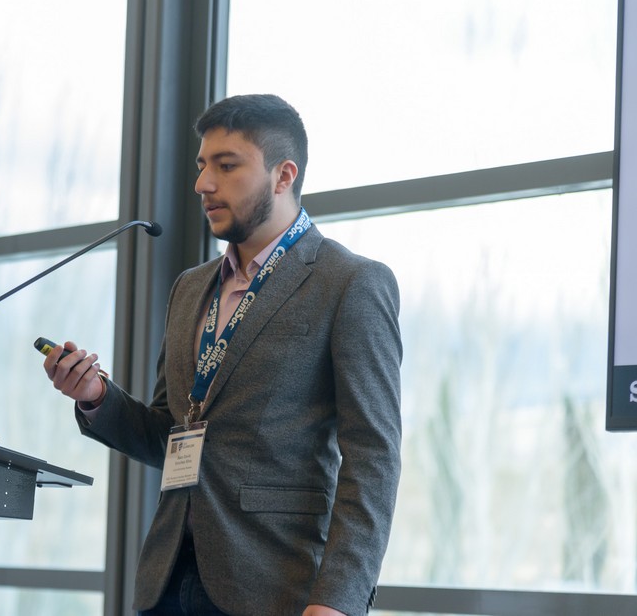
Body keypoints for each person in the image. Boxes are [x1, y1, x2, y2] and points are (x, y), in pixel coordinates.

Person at [42, 94, 402, 616]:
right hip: (166, 582)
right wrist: (96, 396)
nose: (203, 184)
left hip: (277, 587)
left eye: (226, 166)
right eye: (202, 165)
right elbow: (170, 433)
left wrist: (338, 601)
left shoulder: (350, 283)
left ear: (283, 176)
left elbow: (373, 458)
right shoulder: (190, 289)